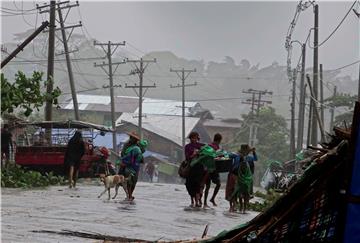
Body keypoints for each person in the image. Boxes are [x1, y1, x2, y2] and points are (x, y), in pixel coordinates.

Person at [118, 132, 147, 201]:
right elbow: (123, 153)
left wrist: (141, 146)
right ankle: (129, 195)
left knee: (134, 180)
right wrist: (127, 158)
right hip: (127, 164)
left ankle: (130, 194)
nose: (132, 139)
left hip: (135, 165)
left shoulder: (138, 146)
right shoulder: (126, 145)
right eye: (132, 138)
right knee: (127, 179)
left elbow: (142, 151)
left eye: (134, 138)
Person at [184, 131, 205, 207]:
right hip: (191, 167)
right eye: (193, 138)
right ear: (190, 138)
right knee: (189, 184)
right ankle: (192, 200)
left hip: (199, 167)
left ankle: (197, 201)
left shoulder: (201, 146)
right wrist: (193, 154)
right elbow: (187, 157)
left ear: (197, 138)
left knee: (198, 184)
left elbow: (208, 150)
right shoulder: (187, 147)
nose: (194, 139)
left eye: (195, 138)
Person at [203, 133, 222, 207]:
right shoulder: (211, 146)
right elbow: (212, 156)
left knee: (217, 184)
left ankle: (210, 200)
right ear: (219, 140)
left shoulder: (216, 146)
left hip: (213, 168)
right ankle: (206, 202)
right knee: (208, 185)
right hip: (209, 168)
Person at [232, 144, 253, 213]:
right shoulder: (238, 156)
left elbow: (254, 158)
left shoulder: (249, 157)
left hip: (246, 176)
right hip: (241, 176)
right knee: (241, 192)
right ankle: (242, 207)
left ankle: (244, 207)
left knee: (245, 193)